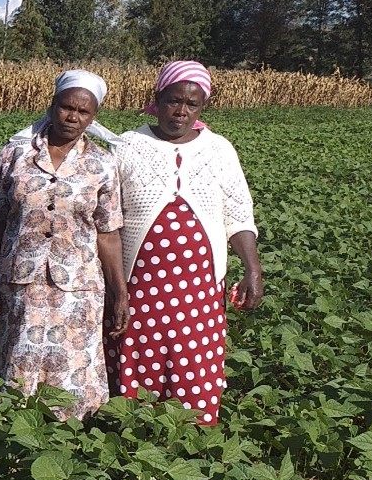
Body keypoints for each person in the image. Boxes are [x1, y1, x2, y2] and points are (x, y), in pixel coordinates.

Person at [107, 61, 262, 426]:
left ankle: (193, 436)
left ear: (201, 107)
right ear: (156, 100)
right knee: (138, 352)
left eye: (192, 104)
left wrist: (252, 268)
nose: (181, 111)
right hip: (140, 284)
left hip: (200, 288)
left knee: (195, 359)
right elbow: (107, 219)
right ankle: (136, 436)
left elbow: (238, 216)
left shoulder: (219, 150)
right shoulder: (127, 146)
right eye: (173, 101)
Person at [0, 70, 128, 421]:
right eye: (66, 107)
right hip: (22, 284)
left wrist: (120, 293)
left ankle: (72, 449)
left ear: (93, 117)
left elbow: (107, 233)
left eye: (84, 112)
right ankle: (17, 447)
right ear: (52, 105)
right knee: (19, 366)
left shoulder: (101, 164)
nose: (73, 117)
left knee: (74, 375)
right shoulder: (14, 155)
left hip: (79, 290)